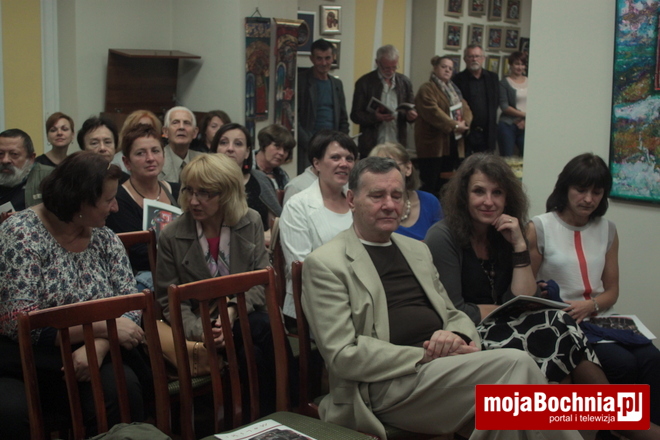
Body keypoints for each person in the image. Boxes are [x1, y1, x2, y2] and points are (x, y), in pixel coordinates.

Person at [301, 156, 581, 440]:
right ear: (351, 199)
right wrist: (427, 354)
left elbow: (453, 313)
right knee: (515, 367)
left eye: (397, 195)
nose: (389, 204)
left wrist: (457, 336)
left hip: (441, 369)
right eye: (377, 196)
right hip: (381, 385)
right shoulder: (326, 263)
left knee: (506, 408)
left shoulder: (416, 250)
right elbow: (343, 356)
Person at [0, 151, 149, 439]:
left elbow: (130, 304)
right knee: (10, 410)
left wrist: (99, 346)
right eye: (108, 200)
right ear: (80, 201)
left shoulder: (104, 237)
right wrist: (104, 327)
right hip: (27, 359)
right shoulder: (21, 233)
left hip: (91, 351)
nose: (116, 207)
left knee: (122, 388)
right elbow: (19, 322)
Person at [425, 153, 606, 386]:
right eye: (479, 191)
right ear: (463, 196)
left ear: (507, 198)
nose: (489, 201)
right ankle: (614, 409)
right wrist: (505, 310)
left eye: (497, 193)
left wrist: (519, 245)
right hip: (466, 335)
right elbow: (455, 310)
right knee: (558, 332)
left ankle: (599, 409)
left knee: (560, 328)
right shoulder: (442, 237)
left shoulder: (505, 233)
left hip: (506, 325)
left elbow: (524, 298)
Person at [529, 153, 660, 426]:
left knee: (652, 358)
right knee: (622, 364)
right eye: (581, 190)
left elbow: (612, 291)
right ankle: (615, 430)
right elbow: (526, 289)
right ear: (565, 188)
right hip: (565, 323)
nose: (588, 199)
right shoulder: (540, 226)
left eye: (597, 192)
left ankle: (651, 428)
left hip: (602, 317)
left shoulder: (607, 229)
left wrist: (592, 305)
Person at [155, 153, 277, 417]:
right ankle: (281, 412)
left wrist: (232, 310)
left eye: (205, 193)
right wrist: (203, 331)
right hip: (201, 323)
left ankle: (257, 420)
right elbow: (168, 299)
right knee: (259, 336)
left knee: (255, 343)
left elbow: (262, 280)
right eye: (189, 191)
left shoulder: (250, 220)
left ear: (227, 194)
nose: (194, 201)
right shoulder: (172, 235)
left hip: (243, 314)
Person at [280, 130, 356, 319]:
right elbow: (302, 267)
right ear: (317, 164)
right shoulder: (298, 206)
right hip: (314, 302)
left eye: (349, 158)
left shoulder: (358, 201)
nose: (344, 164)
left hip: (358, 296)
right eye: (335, 157)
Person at [106, 124, 180, 291]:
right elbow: (138, 254)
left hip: (181, 272)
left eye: (155, 151)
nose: (150, 158)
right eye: (140, 153)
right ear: (127, 162)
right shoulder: (118, 199)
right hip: (143, 279)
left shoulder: (178, 191)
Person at [414, 55, 472, 196]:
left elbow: (466, 109)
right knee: (431, 183)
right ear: (435, 68)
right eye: (444, 67)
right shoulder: (427, 88)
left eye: (450, 68)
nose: (447, 70)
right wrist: (454, 125)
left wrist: (465, 123)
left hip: (453, 142)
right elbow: (433, 111)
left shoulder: (454, 89)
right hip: (433, 145)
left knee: (448, 184)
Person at [211, 123, 281, 235]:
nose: (230, 148)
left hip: (260, 245)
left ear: (247, 152)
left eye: (238, 144)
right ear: (215, 149)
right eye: (224, 142)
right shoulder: (203, 181)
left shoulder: (261, 179)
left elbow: (276, 223)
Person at [350, 44, 417, 158]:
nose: (391, 71)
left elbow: (411, 109)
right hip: (372, 145)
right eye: (386, 67)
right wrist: (375, 117)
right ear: (377, 62)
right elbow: (355, 115)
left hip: (397, 143)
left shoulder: (405, 82)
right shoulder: (364, 82)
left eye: (394, 67)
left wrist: (411, 116)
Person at [369, 142, 442, 240]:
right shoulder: (371, 206)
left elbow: (439, 241)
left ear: (408, 168)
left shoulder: (430, 202)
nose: (384, 174)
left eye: (391, 166)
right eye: (377, 169)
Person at [297, 39, 349, 174]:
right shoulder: (300, 81)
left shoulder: (337, 84)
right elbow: (294, 118)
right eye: (319, 58)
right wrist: (309, 143)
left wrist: (342, 142)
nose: (324, 63)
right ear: (312, 59)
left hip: (334, 146)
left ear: (333, 58)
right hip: (309, 146)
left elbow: (343, 118)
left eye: (327, 58)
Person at [453, 44, 499, 154]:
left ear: (483, 58)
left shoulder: (493, 78)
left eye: (477, 56)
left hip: (487, 132)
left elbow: (496, 102)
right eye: (470, 56)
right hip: (467, 131)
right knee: (465, 163)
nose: (474, 59)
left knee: (486, 163)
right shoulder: (457, 79)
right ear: (465, 59)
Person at [0, 129, 53, 211]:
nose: (5, 160)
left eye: (14, 154)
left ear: (31, 158)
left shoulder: (49, 177)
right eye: (0, 154)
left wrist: (25, 217)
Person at [159, 106, 202, 182]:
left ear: (194, 132)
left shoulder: (204, 161)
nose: (181, 127)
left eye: (186, 123)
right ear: (165, 131)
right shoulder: (156, 160)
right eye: (175, 122)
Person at [498, 51, 528, 157]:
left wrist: (526, 120)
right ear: (510, 65)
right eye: (517, 64)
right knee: (507, 157)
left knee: (528, 156)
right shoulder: (504, 83)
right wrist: (524, 115)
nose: (520, 67)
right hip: (508, 125)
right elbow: (504, 106)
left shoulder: (531, 82)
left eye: (522, 64)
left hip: (526, 125)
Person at [254, 124, 296, 190]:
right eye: (277, 146)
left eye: (286, 150)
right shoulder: (243, 165)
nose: (282, 153)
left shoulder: (282, 176)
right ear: (264, 144)